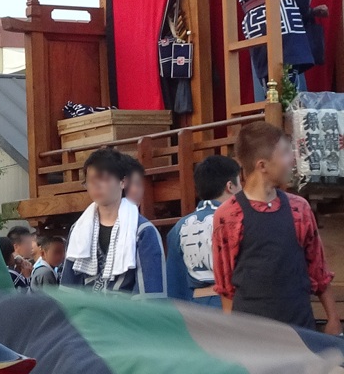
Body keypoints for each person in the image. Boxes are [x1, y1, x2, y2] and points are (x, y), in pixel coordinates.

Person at [212, 121, 339, 332]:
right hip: (252, 334)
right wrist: (231, 335)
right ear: (262, 165)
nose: (293, 160)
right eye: (286, 153)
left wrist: (333, 319)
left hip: (300, 327)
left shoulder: (300, 209)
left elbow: (318, 271)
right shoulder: (228, 215)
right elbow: (226, 286)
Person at [60, 147, 165, 295]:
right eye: (90, 181)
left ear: (122, 182)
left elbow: (150, 291)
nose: (96, 186)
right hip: (87, 314)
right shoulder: (78, 229)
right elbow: (69, 286)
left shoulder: (142, 231)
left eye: (103, 179)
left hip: (124, 315)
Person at [166, 155, 241, 306]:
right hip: (233, 305)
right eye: (240, 183)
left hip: (196, 307)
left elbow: (174, 284)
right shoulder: (237, 221)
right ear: (230, 186)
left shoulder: (179, 227)